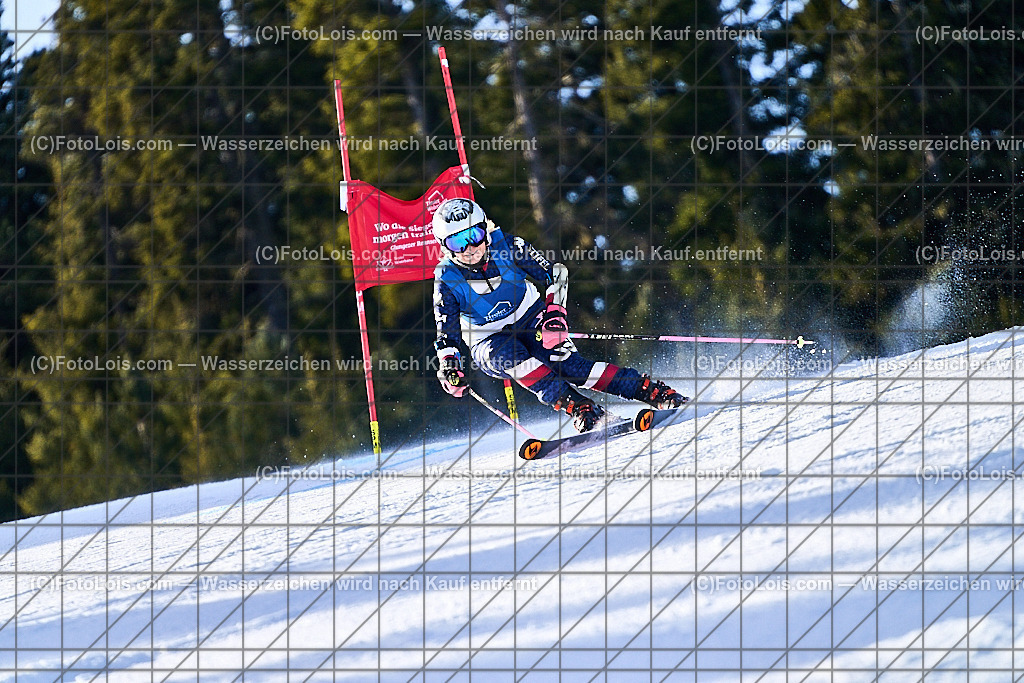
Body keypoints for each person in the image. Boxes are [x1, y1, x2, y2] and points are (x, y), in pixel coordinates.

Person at [430, 198, 688, 432]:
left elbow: (556, 274)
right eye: (457, 242)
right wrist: (449, 365)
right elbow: (447, 333)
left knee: (571, 368)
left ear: (485, 231)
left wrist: (555, 315)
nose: (469, 248)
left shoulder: (508, 246)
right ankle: (583, 409)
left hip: (531, 317)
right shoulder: (446, 278)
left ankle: (652, 391)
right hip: (488, 339)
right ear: (445, 247)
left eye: (474, 235)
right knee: (510, 357)